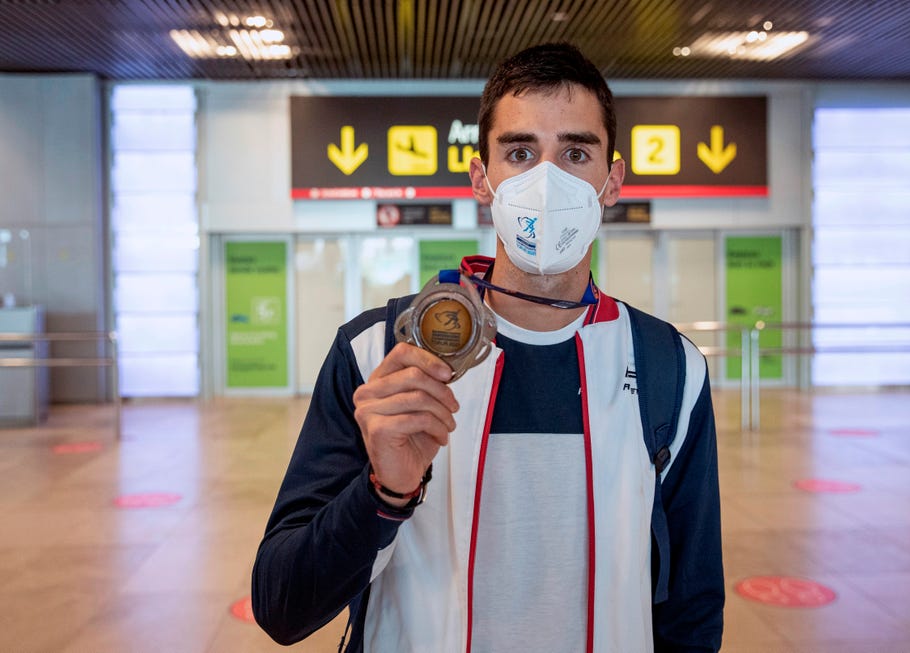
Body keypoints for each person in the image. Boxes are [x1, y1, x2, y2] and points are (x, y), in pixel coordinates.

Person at [252, 42, 724, 652]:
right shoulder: (378, 356)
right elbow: (282, 607)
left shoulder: (670, 368)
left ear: (612, 181)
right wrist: (382, 492)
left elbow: (691, 608)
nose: (547, 181)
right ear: (482, 178)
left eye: (575, 152)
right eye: (520, 152)